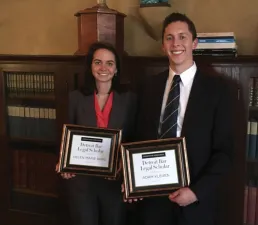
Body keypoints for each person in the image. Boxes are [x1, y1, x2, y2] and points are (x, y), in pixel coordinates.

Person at [134, 12, 235, 225]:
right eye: (169, 38)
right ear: (163, 45)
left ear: (194, 43)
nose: (175, 43)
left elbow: (225, 153)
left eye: (182, 37)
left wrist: (196, 192)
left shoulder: (219, 90)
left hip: (195, 202)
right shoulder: (149, 87)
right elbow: (139, 138)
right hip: (153, 200)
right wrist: (133, 179)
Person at [56, 42, 136, 225]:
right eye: (97, 62)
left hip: (114, 181)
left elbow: (134, 137)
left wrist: (125, 168)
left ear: (116, 69)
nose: (103, 68)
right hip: (81, 182)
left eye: (109, 63)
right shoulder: (75, 98)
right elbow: (65, 136)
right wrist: (64, 162)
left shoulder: (130, 99)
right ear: (90, 66)